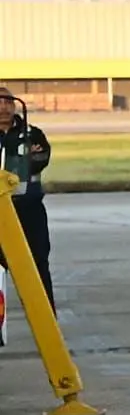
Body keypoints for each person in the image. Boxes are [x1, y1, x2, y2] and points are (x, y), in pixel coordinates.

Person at [0, 88, 49, 311]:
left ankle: (47, 317)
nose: (4, 107)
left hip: (27, 209)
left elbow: (40, 158)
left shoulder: (32, 133)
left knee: (38, 263)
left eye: (8, 101)